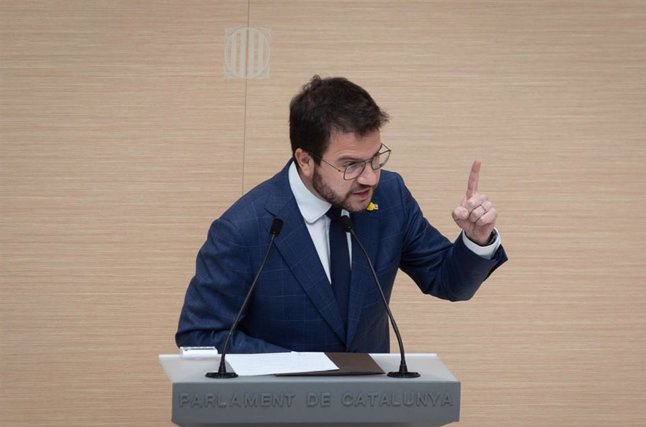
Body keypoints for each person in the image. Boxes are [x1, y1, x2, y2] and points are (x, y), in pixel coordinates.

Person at [175, 75, 507, 353]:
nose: (370, 178)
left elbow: (448, 281)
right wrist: (304, 369)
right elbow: (202, 337)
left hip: (371, 419)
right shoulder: (244, 228)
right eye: (351, 165)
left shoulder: (390, 198)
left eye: (375, 158)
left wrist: (476, 240)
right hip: (278, 421)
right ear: (305, 161)